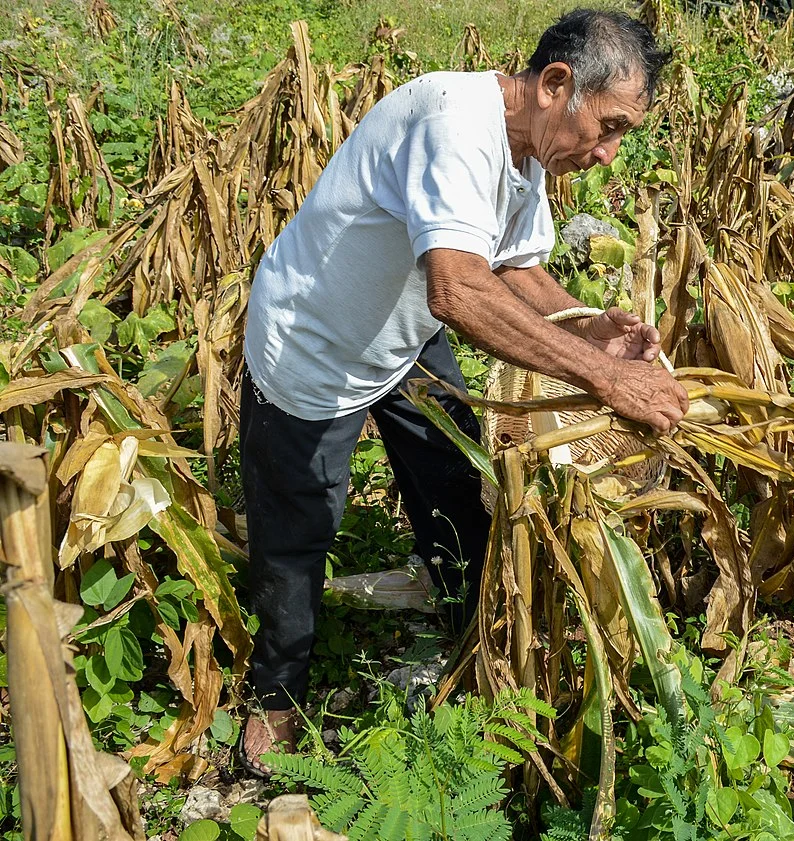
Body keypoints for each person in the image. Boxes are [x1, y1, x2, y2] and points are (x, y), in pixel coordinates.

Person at [237, 8, 688, 776]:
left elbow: (513, 267)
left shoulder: (528, 152)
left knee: (455, 484)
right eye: (608, 126)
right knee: (300, 533)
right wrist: (609, 378)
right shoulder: (455, 125)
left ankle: (461, 623)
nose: (610, 154)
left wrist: (586, 330)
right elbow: (460, 291)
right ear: (555, 85)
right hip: (316, 349)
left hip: (401, 336)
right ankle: (274, 699)